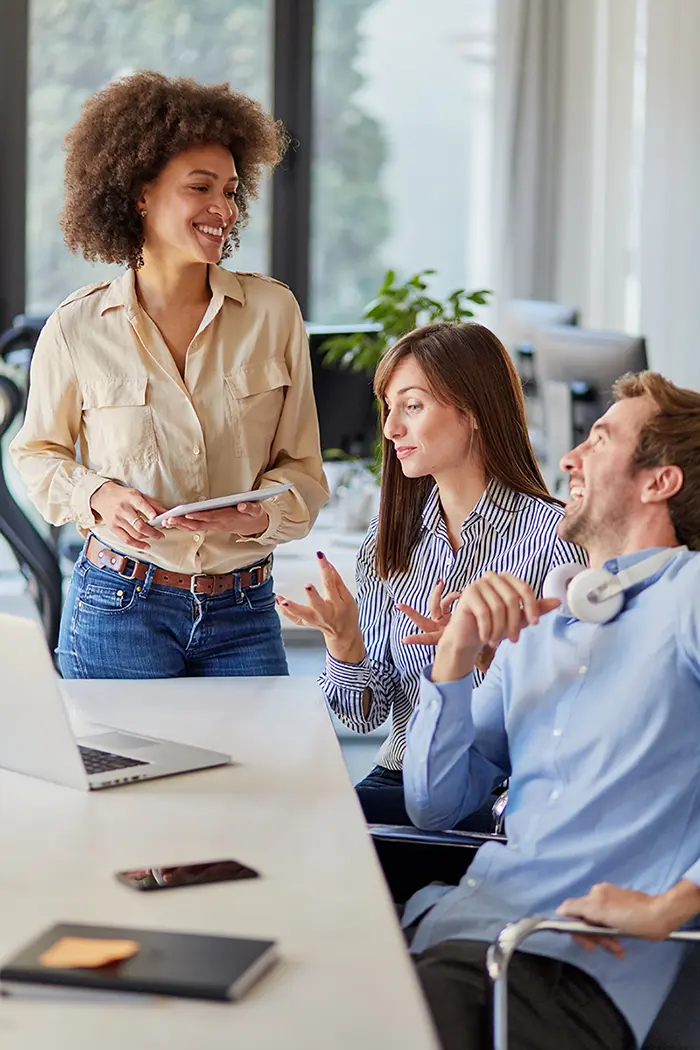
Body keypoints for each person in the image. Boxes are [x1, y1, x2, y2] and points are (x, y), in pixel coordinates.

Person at [401, 370, 700, 1050]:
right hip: (458, 937)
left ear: (660, 481)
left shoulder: (688, 597)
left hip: (561, 971)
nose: (569, 458)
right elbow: (434, 806)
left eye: (599, 439)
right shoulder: (536, 627)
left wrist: (673, 905)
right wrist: (453, 658)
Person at [10, 71, 328, 679]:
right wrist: (95, 494)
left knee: (254, 774)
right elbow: (36, 456)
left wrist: (258, 515)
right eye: (200, 187)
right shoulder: (77, 327)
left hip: (245, 609)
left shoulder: (273, 312)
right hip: (118, 607)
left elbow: (303, 470)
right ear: (139, 195)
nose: (223, 209)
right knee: (128, 772)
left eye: (232, 191)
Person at [277, 322, 585, 827]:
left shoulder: (556, 540)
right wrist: (344, 642)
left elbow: (565, 712)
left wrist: (475, 659)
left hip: (495, 792)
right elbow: (365, 716)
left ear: (473, 412)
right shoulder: (390, 534)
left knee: (301, 823)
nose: (391, 428)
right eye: (389, 409)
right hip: (397, 776)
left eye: (412, 407)